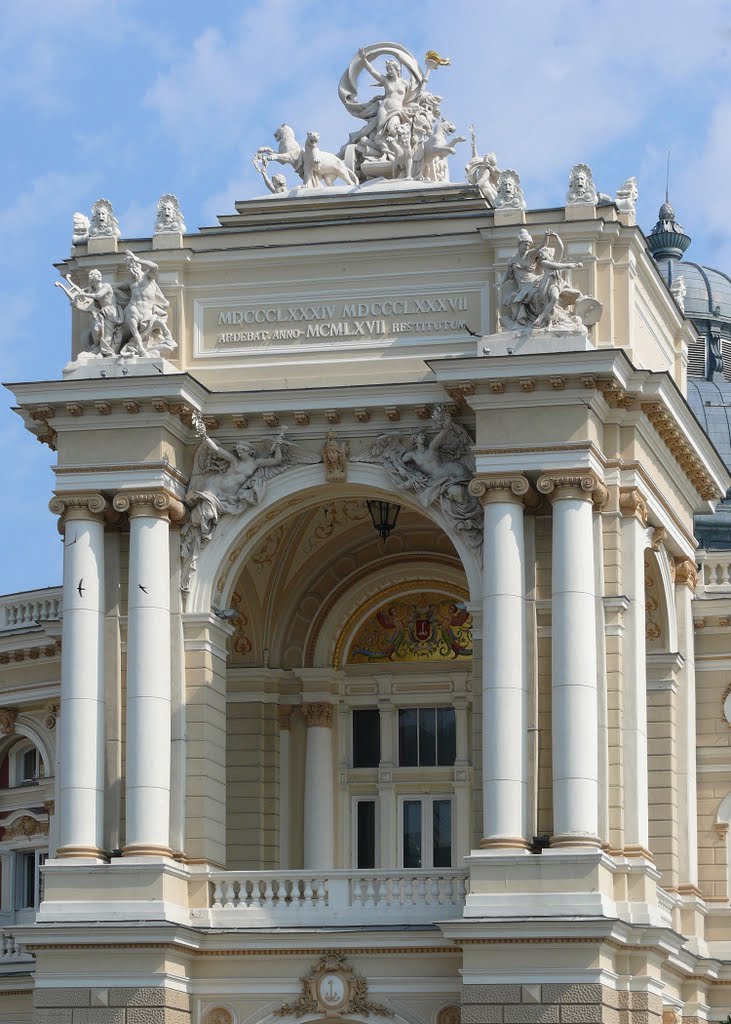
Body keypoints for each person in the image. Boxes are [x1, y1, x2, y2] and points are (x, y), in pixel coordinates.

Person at [119, 251, 175, 357]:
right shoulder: (130, 281)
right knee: (134, 330)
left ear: (137, 265)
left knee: (158, 322)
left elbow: (155, 266)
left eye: (130, 265)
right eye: (128, 266)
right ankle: (140, 348)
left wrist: (138, 259)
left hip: (147, 310)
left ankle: (168, 337)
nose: (129, 268)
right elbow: (116, 287)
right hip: (133, 307)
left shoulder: (147, 276)